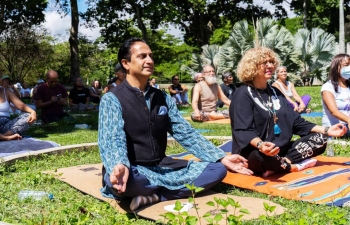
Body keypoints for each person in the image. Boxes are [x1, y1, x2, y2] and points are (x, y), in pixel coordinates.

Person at [98, 37, 253, 211]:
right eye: (142, 56)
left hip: (161, 166)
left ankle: (156, 195)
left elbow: (185, 132)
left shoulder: (162, 97)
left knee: (217, 170)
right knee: (127, 181)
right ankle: (144, 188)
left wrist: (221, 157)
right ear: (126, 63)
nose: (150, 60)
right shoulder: (112, 99)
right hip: (133, 169)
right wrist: (118, 164)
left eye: (150, 56)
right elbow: (112, 139)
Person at [230, 47, 347, 177]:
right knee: (260, 158)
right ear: (252, 66)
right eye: (264, 62)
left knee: (320, 139)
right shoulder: (242, 94)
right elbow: (243, 130)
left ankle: (282, 163)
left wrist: (327, 130)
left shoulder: (275, 92)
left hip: (281, 150)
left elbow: (296, 121)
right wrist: (261, 145)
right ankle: (289, 166)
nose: (270, 65)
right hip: (256, 150)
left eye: (271, 62)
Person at [0, 73, 37, 141]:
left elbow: (21, 105)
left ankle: (3, 136)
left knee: (28, 116)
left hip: (6, 127)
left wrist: (32, 112)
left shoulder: (6, 91)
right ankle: (5, 138)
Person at [321, 54, 350, 129]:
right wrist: (348, 120)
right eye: (346, 65)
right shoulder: (328, 87)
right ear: (336, 67)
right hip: (333, 129)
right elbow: (334, 112)